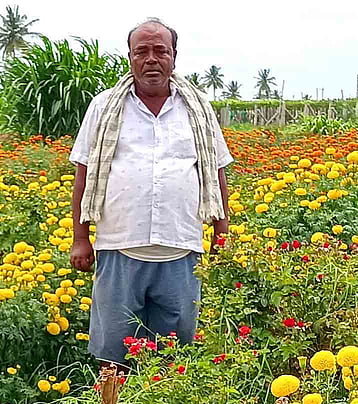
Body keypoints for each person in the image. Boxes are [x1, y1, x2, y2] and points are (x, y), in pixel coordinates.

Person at [68, 17, 234, 372]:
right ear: (130, 57)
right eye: (142, 51)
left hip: (181, 248)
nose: (151, 59)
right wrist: (80, 238)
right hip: (118, 247)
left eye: (161, 51)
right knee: (113, 351)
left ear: (175, 57)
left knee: (175, 354)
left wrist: (222, 233)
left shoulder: (198, 109)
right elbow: (84, 174)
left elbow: (215, 172)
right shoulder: (103, 107)